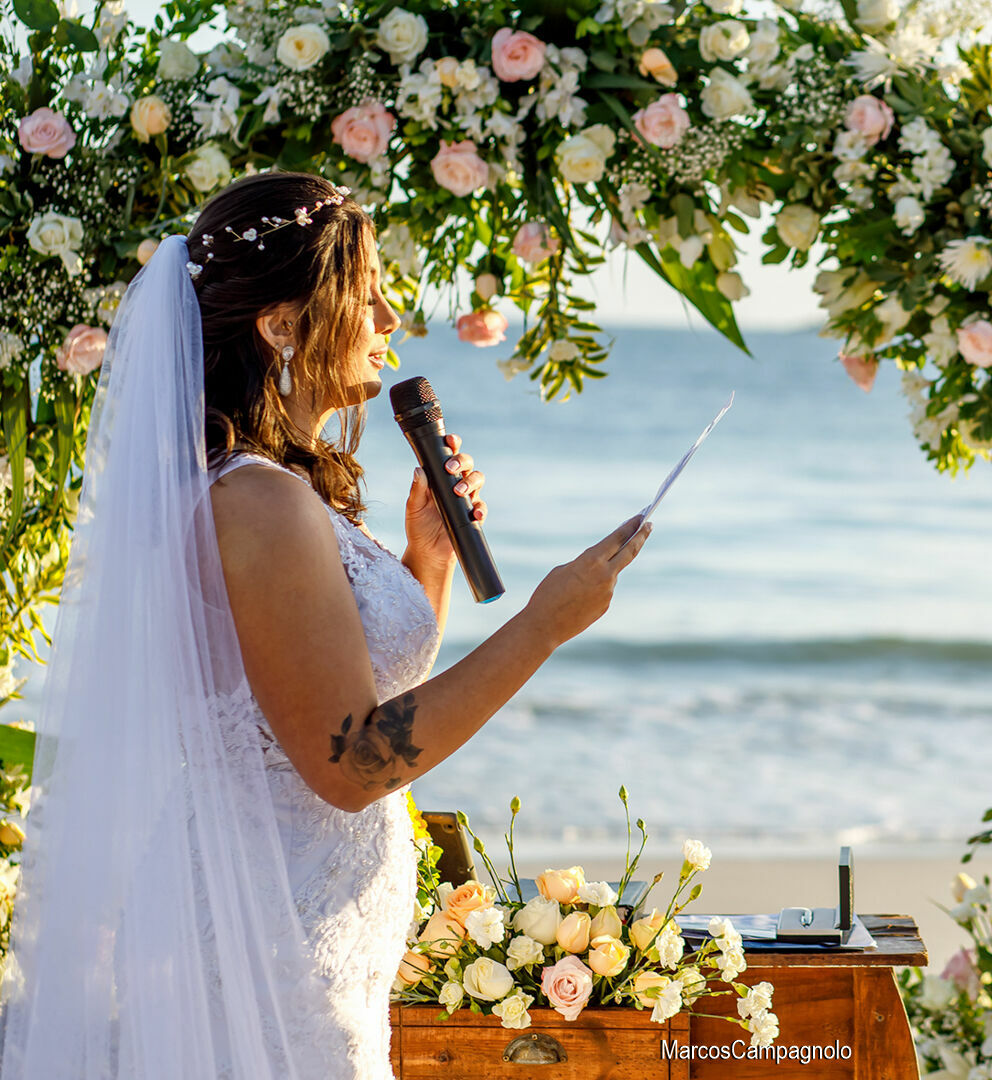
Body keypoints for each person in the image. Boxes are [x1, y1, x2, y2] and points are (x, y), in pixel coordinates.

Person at [0, 172, 650, 1079]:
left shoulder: (277, 487)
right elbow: (350, 763)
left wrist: (426, 556)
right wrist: (543, 624)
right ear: (280, 325)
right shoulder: (257, 500)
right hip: (264, 936)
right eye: (366, 293)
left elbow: (357, 689)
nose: (389, 315)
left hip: (309, 920)